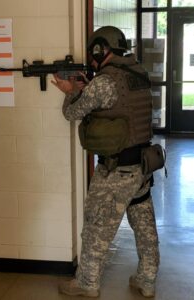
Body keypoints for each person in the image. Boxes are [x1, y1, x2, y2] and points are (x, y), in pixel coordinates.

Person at [51, 26, 160, 298]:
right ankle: (146, 280)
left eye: (94, 53)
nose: (92, 59)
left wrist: (69, 91)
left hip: (116, 170)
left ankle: (87, 283)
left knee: (96, 227)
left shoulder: (105, 82)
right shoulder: (139, 73)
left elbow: (73, 112)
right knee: (144, 225)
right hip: (142, 165)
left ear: (101, 49)